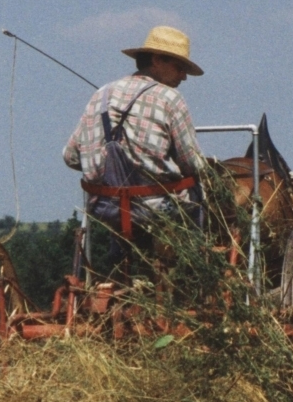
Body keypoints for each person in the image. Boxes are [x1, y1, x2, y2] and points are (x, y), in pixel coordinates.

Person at [63, 26, 207, 274]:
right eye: (180, 67)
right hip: (158, 208)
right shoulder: (170, 98)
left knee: (123, 209)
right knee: (198, 193)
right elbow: (191, 163)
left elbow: (71, 156)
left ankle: (119, 267)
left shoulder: (101, 95)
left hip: (105, 209)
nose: (183, 77)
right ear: (157, 60)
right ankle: (193, 272)